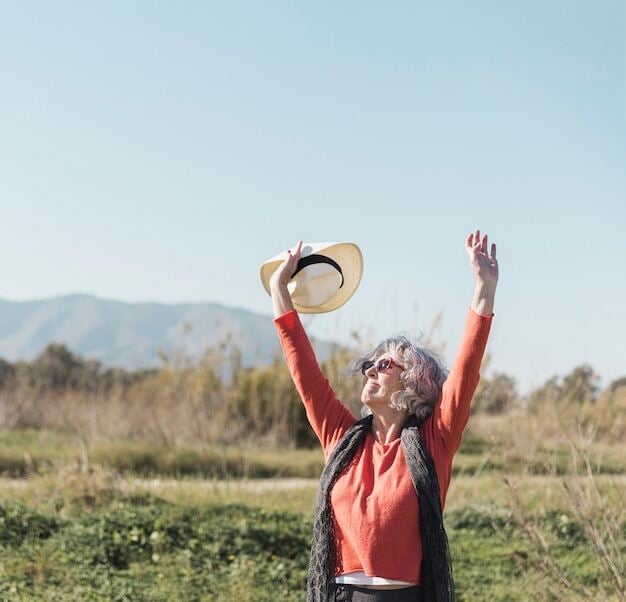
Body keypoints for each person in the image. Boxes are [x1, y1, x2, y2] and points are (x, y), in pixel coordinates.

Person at [269, 230, 498, 602]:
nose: (370, 370)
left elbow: (466, 373)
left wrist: (484, 289)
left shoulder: (434, 441)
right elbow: (304, 373)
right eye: (369, 365)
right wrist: (280, 291)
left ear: (414, 382)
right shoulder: (341, 438)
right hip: (342, 594)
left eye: (384, 364)